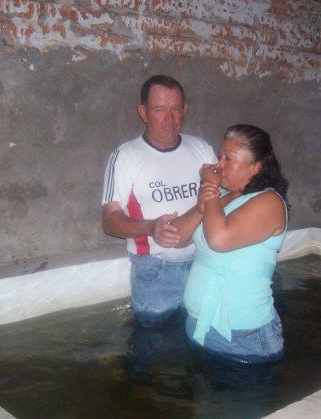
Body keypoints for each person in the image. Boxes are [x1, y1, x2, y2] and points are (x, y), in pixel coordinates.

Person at [101, 75, 216, 329]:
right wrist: (151, 227)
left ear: (185, 110)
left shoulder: (201, 149)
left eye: (176, 109)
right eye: (159, 110)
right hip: (154, 270)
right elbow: (109, 221)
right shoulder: (125, 156)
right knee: (156, 350)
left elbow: (221, 202)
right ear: (143, 112)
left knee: (201, 340)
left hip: (203, 263)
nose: (170, 118)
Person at [172, 124, 289, 364]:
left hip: (243, 335)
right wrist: (204, 203)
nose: (219, 164)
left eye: (229, 158)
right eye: (220, 156)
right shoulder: (225, 197)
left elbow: (219, 239)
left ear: (255, 167)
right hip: (200, 324)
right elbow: (179, 237)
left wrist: (210, 187)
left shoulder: (269, 201)